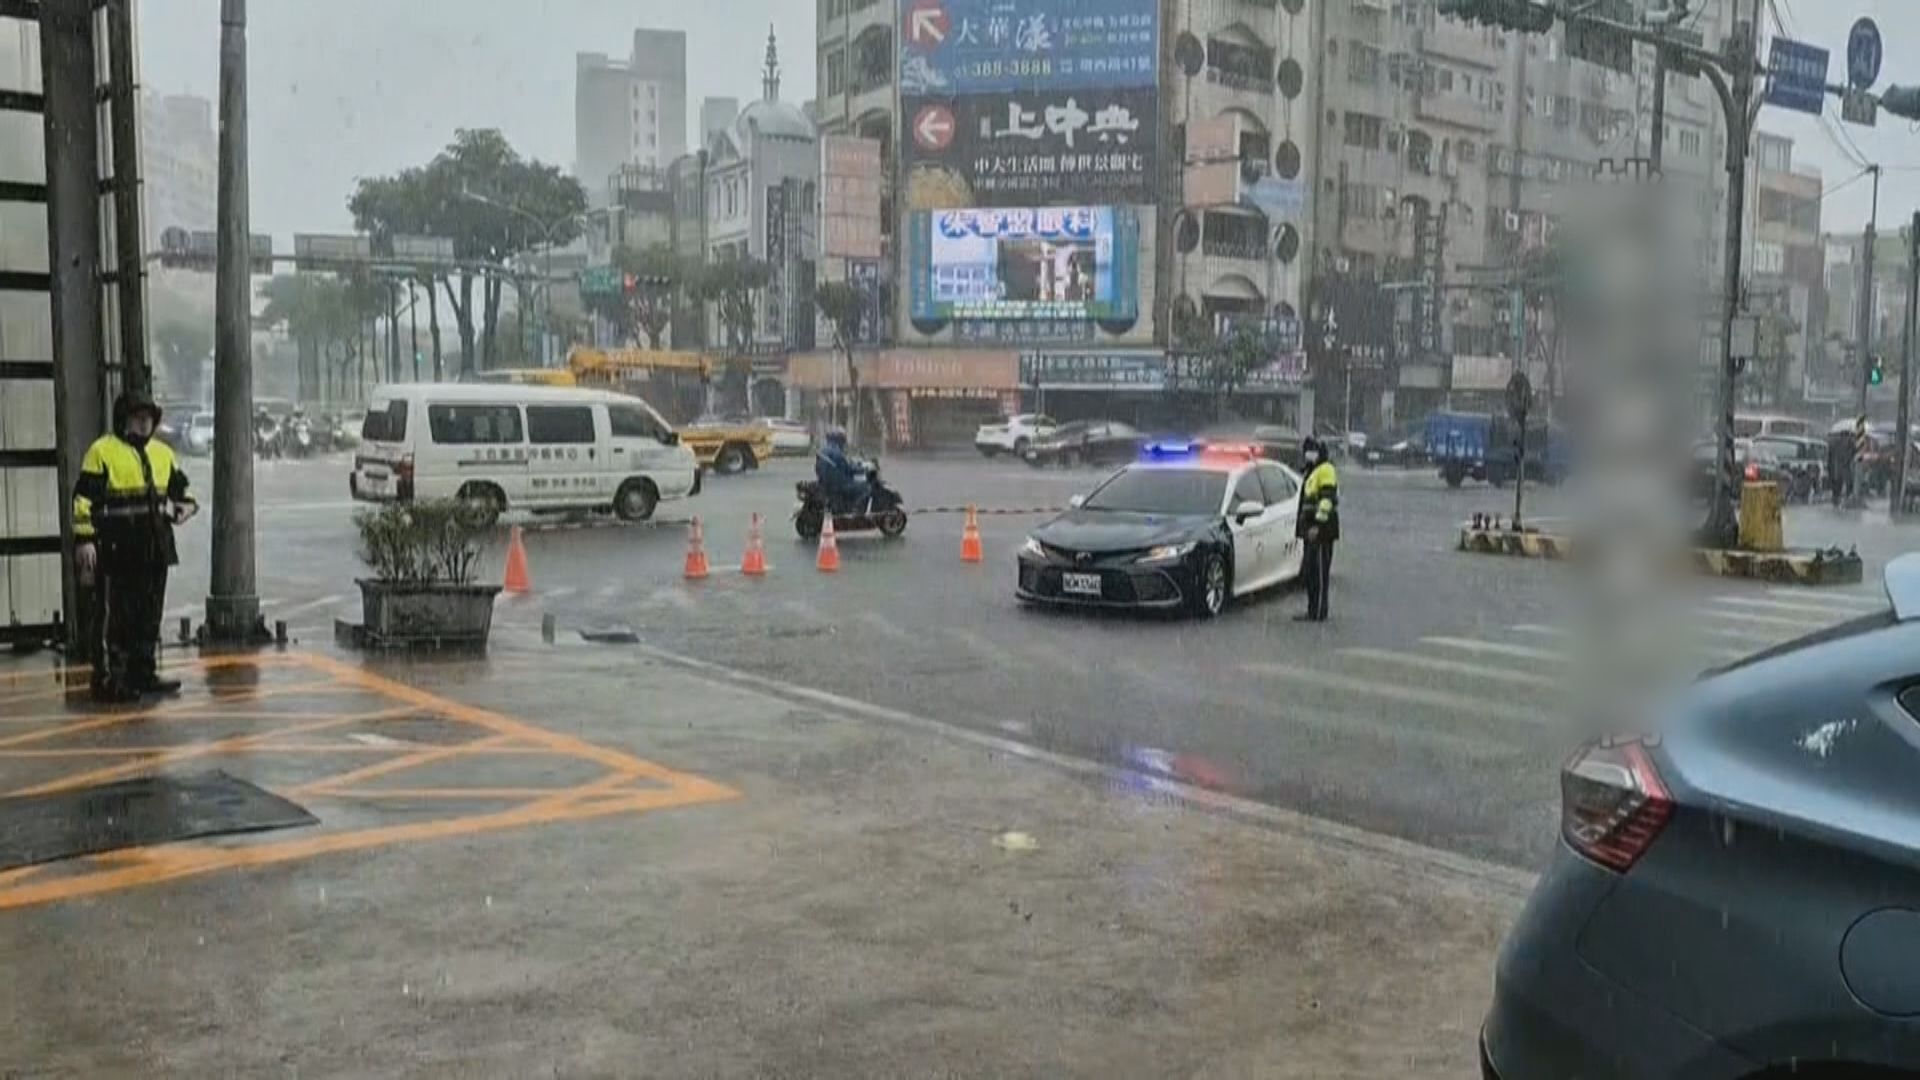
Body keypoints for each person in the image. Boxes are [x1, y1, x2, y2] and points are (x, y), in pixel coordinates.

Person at [73, 390, 198, 703]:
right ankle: (111, 678)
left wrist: (185, 507)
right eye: (137, 418)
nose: (144, 424)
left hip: (155, 548)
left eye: (148, 418)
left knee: (148, 616)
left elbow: (183, 492)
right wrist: (85, 539)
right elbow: (83, 500)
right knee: (116, 617)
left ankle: (143, 673)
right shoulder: (102, 451)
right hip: (117, 549)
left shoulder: (162, 453)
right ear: (124, 419)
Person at [1295, 435, 1339, 623]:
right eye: (1306, 451)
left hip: (1322, 531)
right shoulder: (1312, 471)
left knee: (1320, 573)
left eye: (1311, 451)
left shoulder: (1326, 470)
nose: (1308, 455)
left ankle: (1320, 611)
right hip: (1311, 530)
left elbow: (1326, 500)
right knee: (1311, 573)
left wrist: (1317, 527)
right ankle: (1312, 610)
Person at [814, 426, 870, 513]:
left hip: (827, 482)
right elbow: (848, 469)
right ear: (839, 439)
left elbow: (842, 465)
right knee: (866, 487)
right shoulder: (836, 452)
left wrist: (855, 464)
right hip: (840, 484)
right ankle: (856, 511)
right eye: (843, 439)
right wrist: (863, 468)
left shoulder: (824, 450)